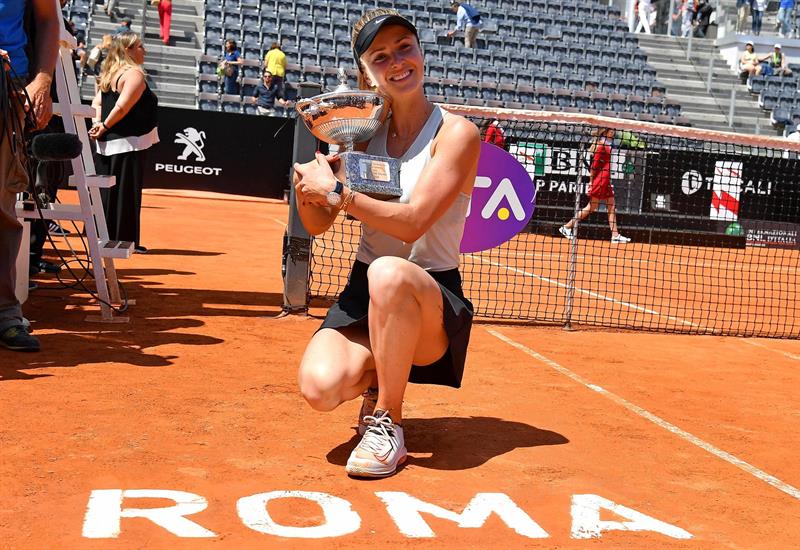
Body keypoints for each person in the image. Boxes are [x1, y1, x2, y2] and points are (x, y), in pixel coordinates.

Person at [293, 8, 480, 478]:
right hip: (366, 294)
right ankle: (379, 377)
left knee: (389, 271)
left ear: (420, 52)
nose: (398, 61)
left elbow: (414, 223)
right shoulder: (359, 132)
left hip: (429, 295)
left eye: (405, 48)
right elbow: (317, 225)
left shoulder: (456, 134)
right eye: (381, 56)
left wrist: (340, 193)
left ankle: (388, 423)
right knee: (319, 388)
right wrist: (312, 188)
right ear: (367, 72)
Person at [1, 0, 59, 351]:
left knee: (2, 208)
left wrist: (43, 80)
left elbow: (48, 19)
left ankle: (5, 314)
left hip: (9, 87)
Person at [89, 32, 159, 254]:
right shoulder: (134, 74)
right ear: (127, 50)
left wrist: (99, 123)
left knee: (110, 191)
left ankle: (105, 236)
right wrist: (105, 126)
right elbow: (122, 107)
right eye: (140, 46)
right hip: (128, 143)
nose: (144, 50)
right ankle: (126, 241)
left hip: (109, 142)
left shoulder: (110, 73)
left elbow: (97, 102)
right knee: (127, 191)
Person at [559, 128, 631, 244]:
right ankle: (567, 227)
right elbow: (593, 167)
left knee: (611, 206)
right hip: (600, 181)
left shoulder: (606, 144)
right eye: (611, 130)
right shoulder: (601, 145)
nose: (613, 132)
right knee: (591, 207)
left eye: (613, 130)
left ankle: (615, 235)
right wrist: (591, 182)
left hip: (605, 180)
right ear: (605, 132)